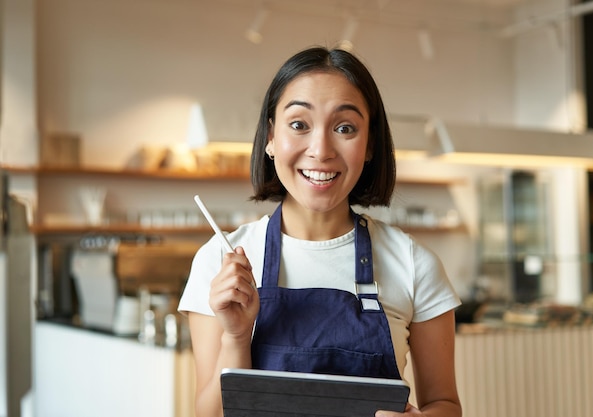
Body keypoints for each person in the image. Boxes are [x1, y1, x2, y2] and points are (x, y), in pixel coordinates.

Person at [178, 46, 462, 417]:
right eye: (299, 124)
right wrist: (235, 335)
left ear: (371, 143)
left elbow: (445, 404)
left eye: (345, 127)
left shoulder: (413, 263)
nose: (321, 149)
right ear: (269, 136)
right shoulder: (219, 260)